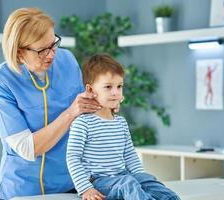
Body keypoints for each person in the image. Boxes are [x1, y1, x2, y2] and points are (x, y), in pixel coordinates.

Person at [0, 8, 112, 199]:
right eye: (42, 50)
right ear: (19, 52)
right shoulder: (1, 83)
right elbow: (28, 148)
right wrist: (71, 113)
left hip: (70, 183)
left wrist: (105, 102)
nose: (52, 54)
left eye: (53, 43)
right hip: (23, 190)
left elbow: (86, 113)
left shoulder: (67, 60)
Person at [67, 54, 180, 200]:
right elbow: (72, 157)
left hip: (123, 177)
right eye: (108, 87)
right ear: (90, 90)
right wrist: (85, 189)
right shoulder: (83, 123)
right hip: (99, 182)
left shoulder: (121, 122)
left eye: (119, 86)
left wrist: (141, 178)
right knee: (128, 183)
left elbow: (129, 154)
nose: (115, 92)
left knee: (152, 183)